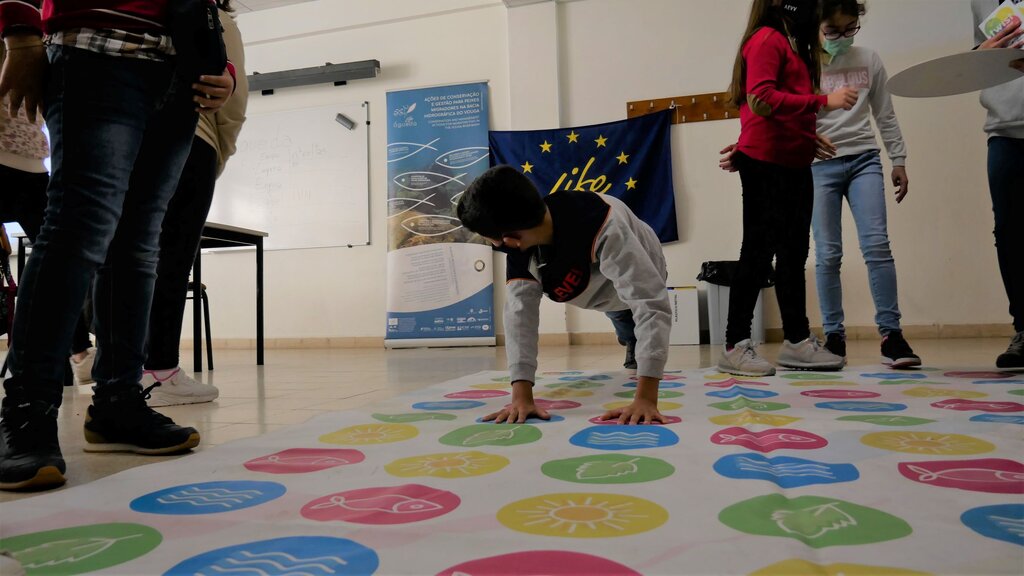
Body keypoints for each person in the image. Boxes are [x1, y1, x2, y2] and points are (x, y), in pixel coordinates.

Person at [0, 0, 236, 491]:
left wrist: (222, 64)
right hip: (97, 47)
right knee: (77, 230)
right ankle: (27, 413)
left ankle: (117, 403)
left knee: (139, 245)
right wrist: (21, 32)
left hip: (183, 70)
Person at [456, 165, 671, 425]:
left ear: (511, 238)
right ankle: (630, 338)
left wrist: (646, 398)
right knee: (620, 317)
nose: (495, 246)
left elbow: (649, 302)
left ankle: (634, 342)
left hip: (642, 265)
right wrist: (521, 396)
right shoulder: (521, 251)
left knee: (632, 315)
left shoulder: (602, 224)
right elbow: (519, 317)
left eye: (490, 239)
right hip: (595, 293)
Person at [716, 0, 856, 377]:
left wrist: (806, 136)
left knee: (794, 254)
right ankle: (734, 343)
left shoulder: (794, 43)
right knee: (758, 254)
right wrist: (823, 101)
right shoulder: (766, 39)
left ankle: (796, 341)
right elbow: (760, 98)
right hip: (765, 162)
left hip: (793, 161)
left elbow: (778, 103)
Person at [142, 0, 248, 406]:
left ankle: (123, 371)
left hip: (131, 136)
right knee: (172, 261)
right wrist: (219, 151)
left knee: (130, 261)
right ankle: (161, 371)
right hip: (192, 138)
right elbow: (231, 99)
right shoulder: (212, 16)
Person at [810, 0, 921, 368]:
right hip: (818, 166)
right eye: (832, 31)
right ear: (817, 25)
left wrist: (898, 159)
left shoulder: (869, 58)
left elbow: (884, 113)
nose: (841, 38)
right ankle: (834, 336)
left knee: (877, 246)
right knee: (828, 254)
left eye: (849, 29)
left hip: (864, 159)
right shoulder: (806, 63)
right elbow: (792, 111)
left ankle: (892, 335)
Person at [0, 43, 96, 385]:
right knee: (58, 260)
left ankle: (80, 351)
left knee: (61, 260)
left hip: (34, 170)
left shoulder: (37, 53)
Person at [972, 0, 1024, 368]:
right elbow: (976, 60)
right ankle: (1023, 328)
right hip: (1004, 128)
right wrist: (979, 54)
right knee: (1009, 233)